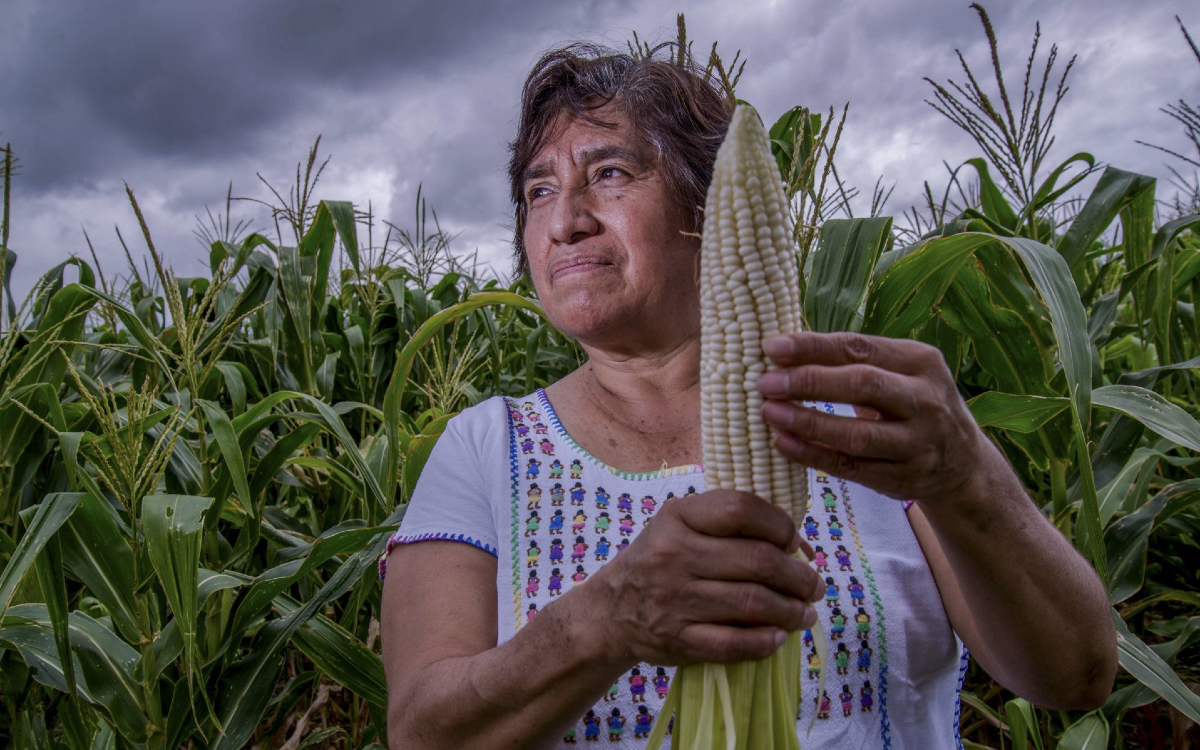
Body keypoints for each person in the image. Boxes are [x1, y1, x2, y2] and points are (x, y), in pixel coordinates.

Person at [379, 41, 1117, 749]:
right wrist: (603, 620)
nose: (566, 221)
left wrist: (967, 477)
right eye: (539, 191)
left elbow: (1075, 676)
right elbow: (423, 732)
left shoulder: (870, 427)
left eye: (608, 174)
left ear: (705, 207)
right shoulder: (484, 450)